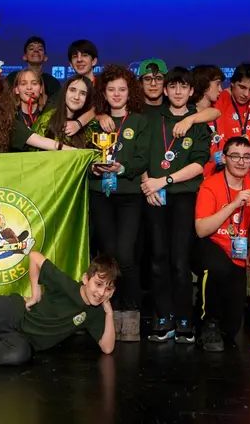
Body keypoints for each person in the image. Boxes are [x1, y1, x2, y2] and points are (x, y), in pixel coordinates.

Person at [141, 67, 210, 344]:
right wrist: (148, 184)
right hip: (154, 196)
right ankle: (163, 316)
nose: (178, 92)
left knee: (180, 262)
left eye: (184, 87)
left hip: (182, 195)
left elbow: (198, 163)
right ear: (166, 91)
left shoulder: (198, 122)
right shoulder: (151, 118)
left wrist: (164, 180)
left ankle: (184, 319)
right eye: (173, 87)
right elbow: (141, 155)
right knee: (158, 259)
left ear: (191, 91)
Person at [89, 64, 150, 342]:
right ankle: (107, 311)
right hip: (100, 195)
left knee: (126, 256)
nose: (116, 94)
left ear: (130, 92)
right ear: (104, 92)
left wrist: (121, 169)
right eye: (111, 89)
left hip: (128, 196)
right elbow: (83, 157)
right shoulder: (94, 121)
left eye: (122, 89)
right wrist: (95, 168)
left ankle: (131, 312)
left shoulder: (139, 121)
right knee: (108, 255)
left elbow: (143, 159)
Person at [193, 137, 250, 352]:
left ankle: (221, 325)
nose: (241, 162)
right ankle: (207, 322)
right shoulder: (210, 185)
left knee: (232, 327)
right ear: (224, 158)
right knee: (218, 268)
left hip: (238, 251)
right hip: (210, 244)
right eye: (235, 156)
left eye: (246, 157)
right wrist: (233, 204)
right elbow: (202, 230)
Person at [205, 63, 250, 185]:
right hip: (228, 167)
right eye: (242, 87)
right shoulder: (221, 99)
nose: (246, 94)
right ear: (232, 83)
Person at [32, 75, 95, 149]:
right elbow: (33, 155)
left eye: (83, 93)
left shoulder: (91, 125)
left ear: (87, 98)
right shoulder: (46, 120)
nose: (76, 97)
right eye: (72, 90)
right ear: (65, 92)